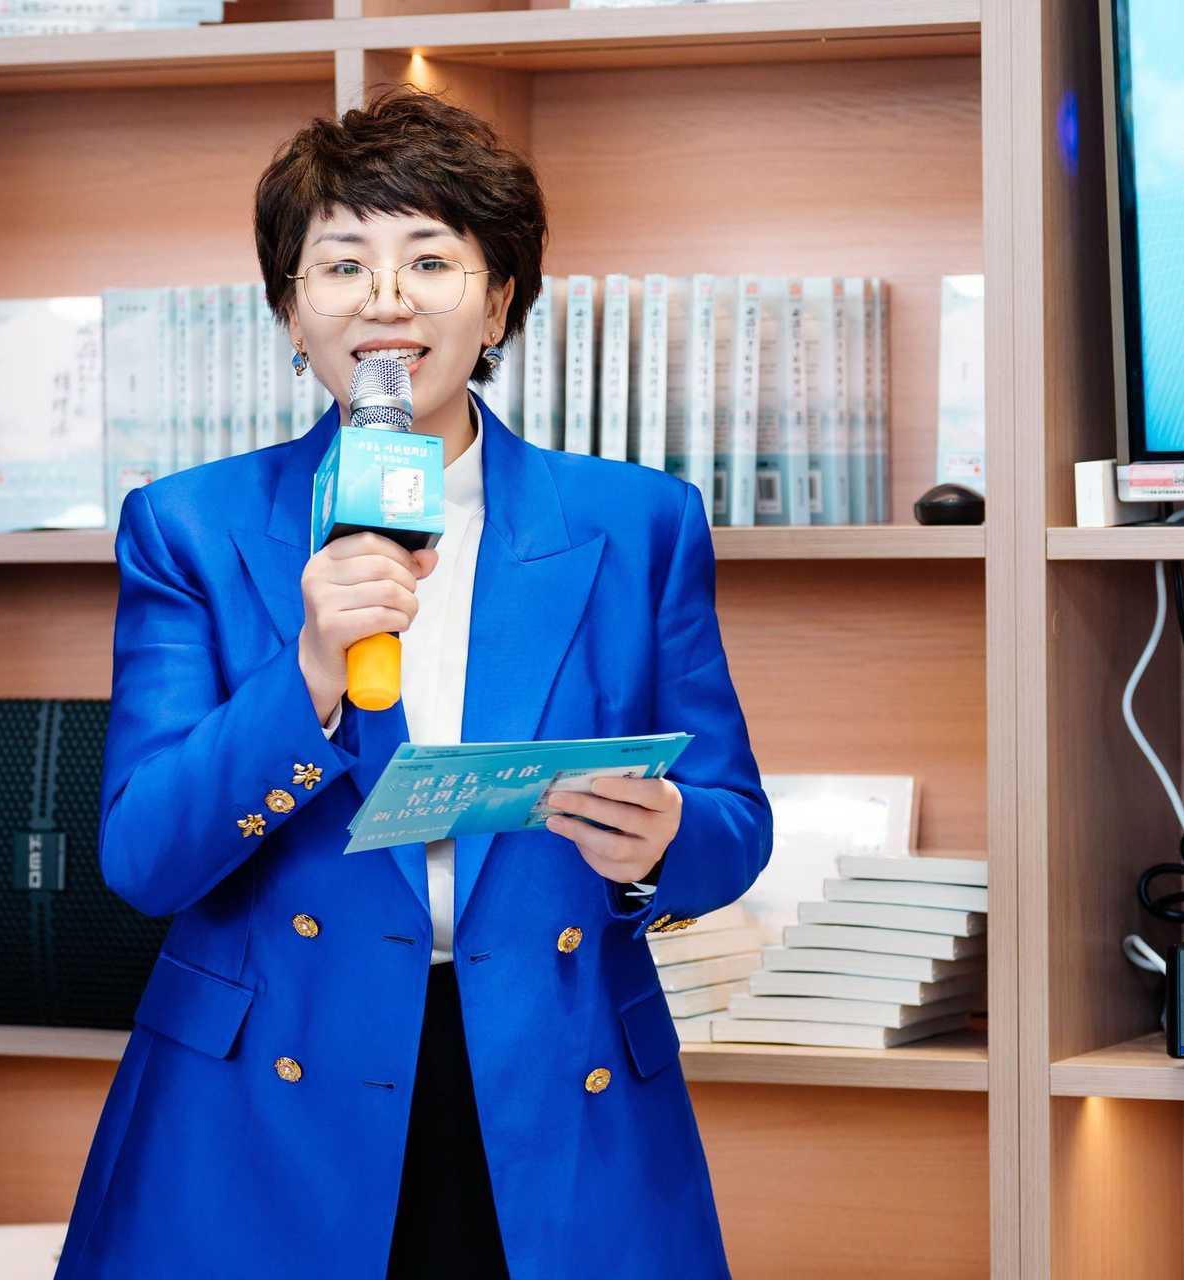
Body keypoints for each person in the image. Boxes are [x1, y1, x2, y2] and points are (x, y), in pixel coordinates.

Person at [53, 84, 772, 1279]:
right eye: (342, 265)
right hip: (269, 1095)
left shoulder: (638, 522)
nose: (385, 299)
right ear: (291, 313)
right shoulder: (189, 526)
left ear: (498, 302)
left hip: (552, 1082)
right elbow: (142, 857)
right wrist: (307, 674)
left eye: (430, 261)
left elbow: (735, 828)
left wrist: (660, 840)